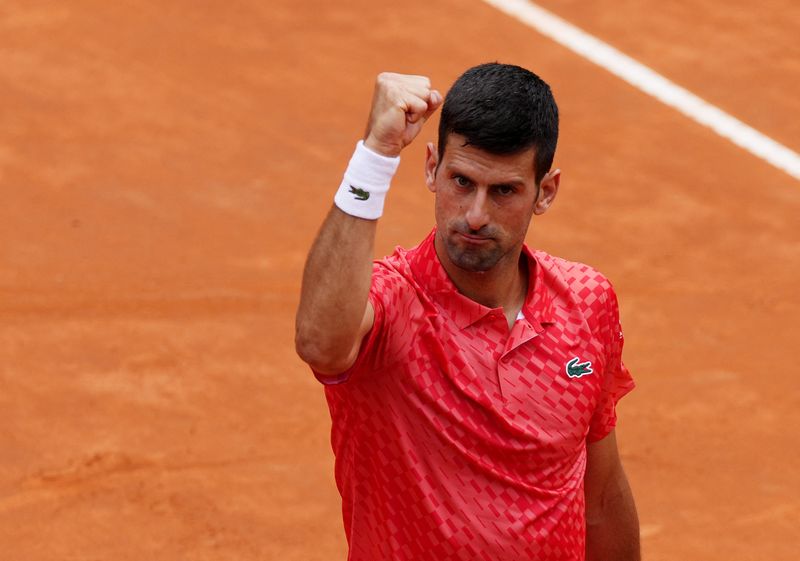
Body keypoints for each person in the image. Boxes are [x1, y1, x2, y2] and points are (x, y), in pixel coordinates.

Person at [295, 63, 640, 561]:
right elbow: (320, 342)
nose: (476, 215)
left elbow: (601, 497)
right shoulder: (394, 303)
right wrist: (375, 153)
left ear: (545, 192)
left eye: (503, 191)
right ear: (432, 168)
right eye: (461, 181)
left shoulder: (587, 301)